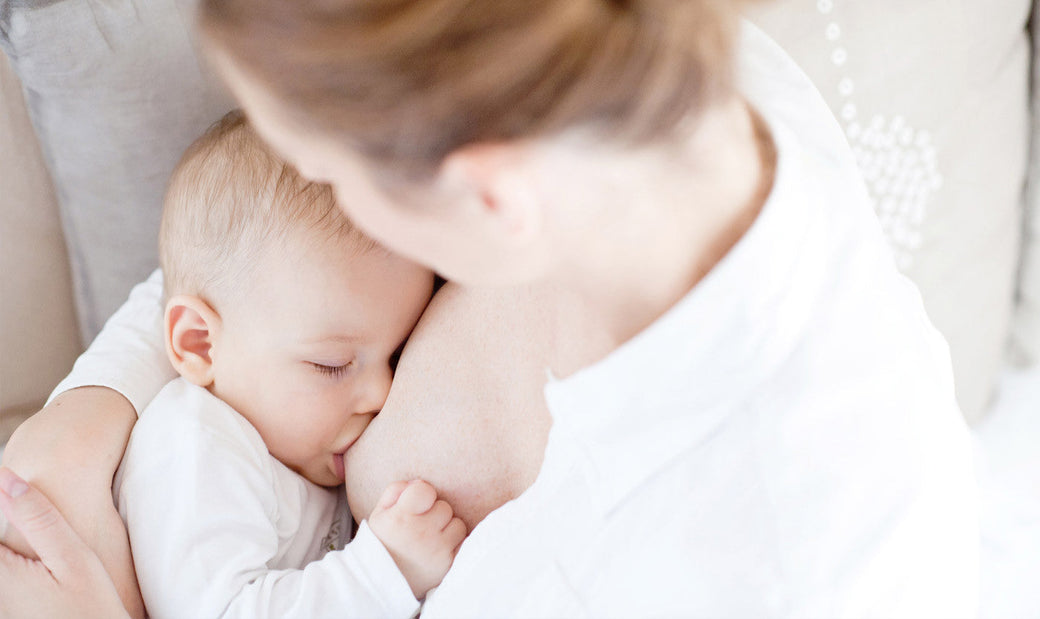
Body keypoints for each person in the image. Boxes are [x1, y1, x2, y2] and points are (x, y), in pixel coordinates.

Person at [0, 1, 980, 617]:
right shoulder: (649, 75)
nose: (312, 183)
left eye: (327, 166)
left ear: (482, 198)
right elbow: (257, 255)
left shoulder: (650, 566)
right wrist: (94, 410)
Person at [121, 110, 463, 618]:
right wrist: (383, 572)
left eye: (397, 354)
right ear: (199, 344)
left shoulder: (293, 447)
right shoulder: (197, 445)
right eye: (331, 364)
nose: (382, 394)